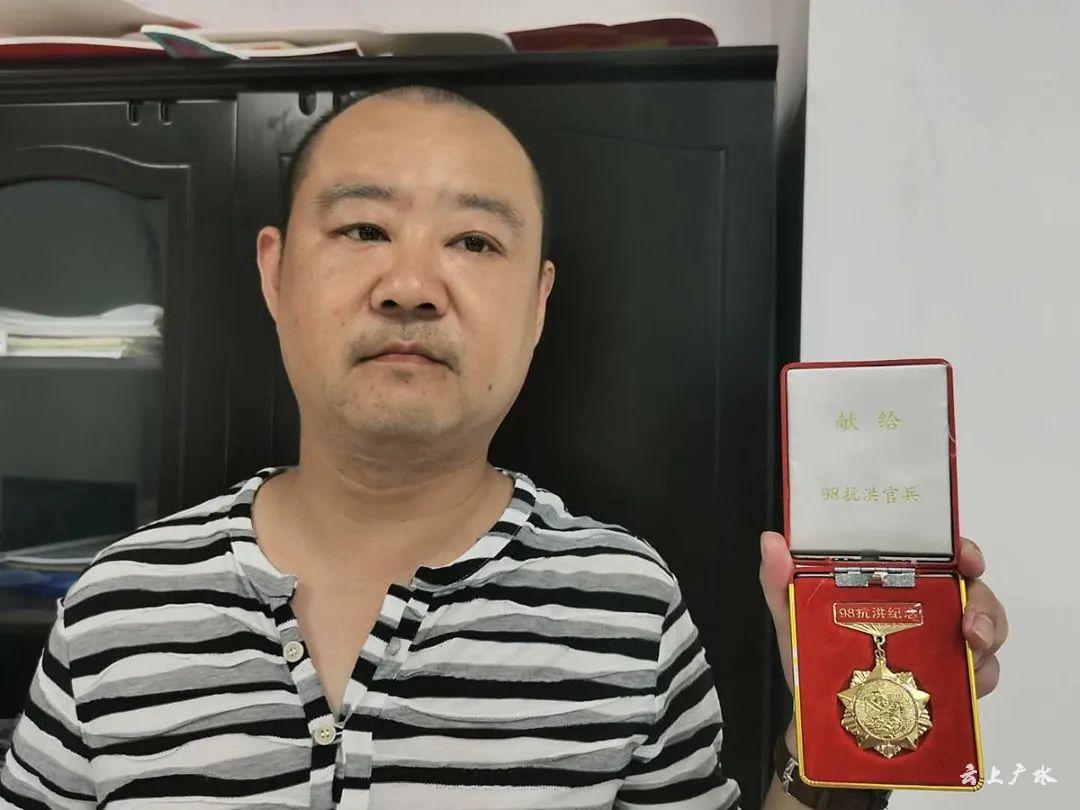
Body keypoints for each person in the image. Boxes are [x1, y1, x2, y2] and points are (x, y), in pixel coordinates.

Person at [0, 85, 1007, 810]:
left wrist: (842, 738)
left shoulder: (627, 606)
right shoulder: (114, 608)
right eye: (361, 229)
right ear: (274, 272)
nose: (410, 286)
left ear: (537, 304)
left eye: (475, 242)